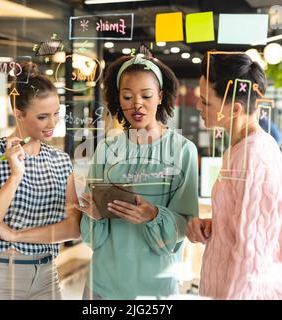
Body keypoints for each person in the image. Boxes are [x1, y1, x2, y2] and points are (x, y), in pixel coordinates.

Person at [76, 54, 199, 299]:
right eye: (128, 96)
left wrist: (153, 215)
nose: (137, 105)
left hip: (156, 288)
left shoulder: (183, 150)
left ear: (161, 96)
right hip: (103, 284)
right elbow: (91, 237)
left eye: (146, 95)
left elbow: (187, 225)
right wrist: (94, 215)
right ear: (118, 99)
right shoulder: (107, 149)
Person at [188, 52, 282, 299]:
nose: (199, 106)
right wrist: (218, 225)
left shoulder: (254, 157)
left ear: (235, 109)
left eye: (207, 102)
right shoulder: (239, 149)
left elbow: (253, 258)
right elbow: (248, 225)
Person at [0, 63, 81, 300]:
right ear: (19, 114)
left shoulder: (60, 160)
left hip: (47, 275)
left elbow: (72, 227)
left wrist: (17, 236)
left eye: (56, 113)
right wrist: (15, 175)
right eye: (42, 116)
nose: (52, 123)